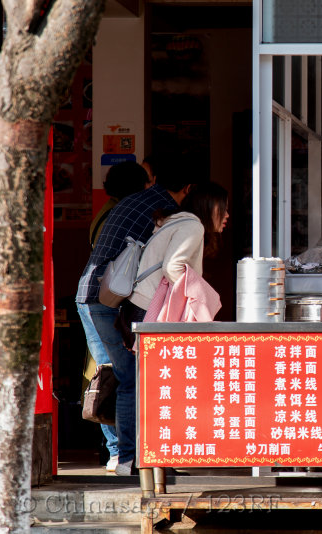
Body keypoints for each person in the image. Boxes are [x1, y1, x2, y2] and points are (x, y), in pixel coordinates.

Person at [75, 157, 194, 476]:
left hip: (94, 294)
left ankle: (129, 455)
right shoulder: (169, 213)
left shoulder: (133, 202)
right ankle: (129, 457)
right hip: (107, 299)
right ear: (187, 189)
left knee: (121, 375)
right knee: (130, 378)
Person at [83, 161, 149, 471]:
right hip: (104, 297)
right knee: (114, 374)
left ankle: (117, 450)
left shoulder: (109, 210)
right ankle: (117, 450)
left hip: (94, 296)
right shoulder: (123, 213)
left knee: (112, 372)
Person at [115, 182, 229, 348]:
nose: (227, 215)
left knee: (147, 371)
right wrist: (198, 294)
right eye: (223, 208)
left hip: (137, 306)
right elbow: (172, 267)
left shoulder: (176, 222)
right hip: (149, 309)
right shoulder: (193, 226)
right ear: (209, 206)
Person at [89, 161, 150, 249]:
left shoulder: (109, 210)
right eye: (147, 183)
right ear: (135, 186)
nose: (149, 188)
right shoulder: (123, 216)